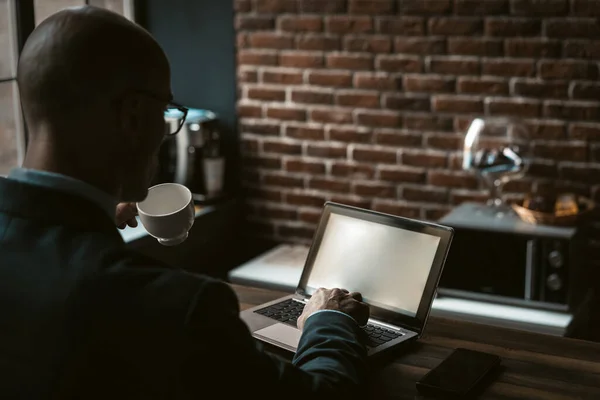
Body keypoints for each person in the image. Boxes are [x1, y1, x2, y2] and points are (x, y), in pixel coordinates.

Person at [0, 6, 370, 399]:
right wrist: (327, 319)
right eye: (166, 112)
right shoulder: (178, 307)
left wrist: (90, 216)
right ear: (133, 115)